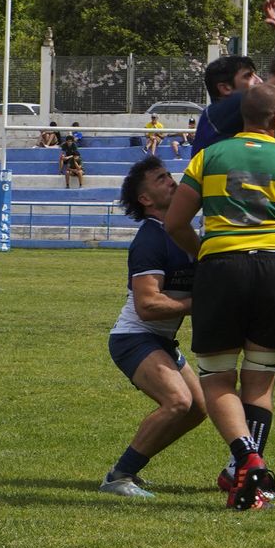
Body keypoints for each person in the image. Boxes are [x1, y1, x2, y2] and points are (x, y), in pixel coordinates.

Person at [163, 83, 275, 510]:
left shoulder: (206, 157)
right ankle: (250, 471)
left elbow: (175, 223)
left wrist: (209, 255)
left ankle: (245, 458)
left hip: (222, 270)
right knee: (260, 380)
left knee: (216, 378)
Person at [100, 156, 206, 498]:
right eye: (161, 179)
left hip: (160, 340)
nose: (172, 182)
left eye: (169, 175)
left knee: (198, 409)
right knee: (177, 401)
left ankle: (134, 463)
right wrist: (200, 305)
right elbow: (147, 307)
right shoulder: (150, 239)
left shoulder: (180, 233)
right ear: (145, 199)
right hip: (134, 337)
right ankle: (119, 476)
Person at [192, 0, 275, 156]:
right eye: (248, 76)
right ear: (225, 88)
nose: (259, 80)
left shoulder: (231, 115)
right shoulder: (224, 109)